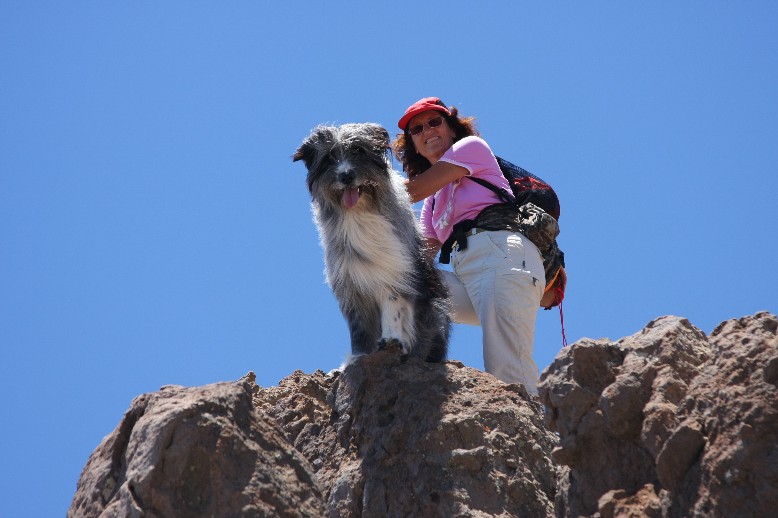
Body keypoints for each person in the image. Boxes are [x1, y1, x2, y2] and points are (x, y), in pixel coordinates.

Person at [393, 97, 546, 395]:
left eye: (435, 122)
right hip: (469, 276)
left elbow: (411, 191)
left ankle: (533, 437)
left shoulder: (471, 148)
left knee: (506, 368)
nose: (427, 131)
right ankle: (410, 364)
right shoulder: (434, 200)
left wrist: (362, 189)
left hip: (502, 257)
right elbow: (421, 255)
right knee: (404, 282)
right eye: (417, 129)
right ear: (414, 144)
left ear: (451, 128)